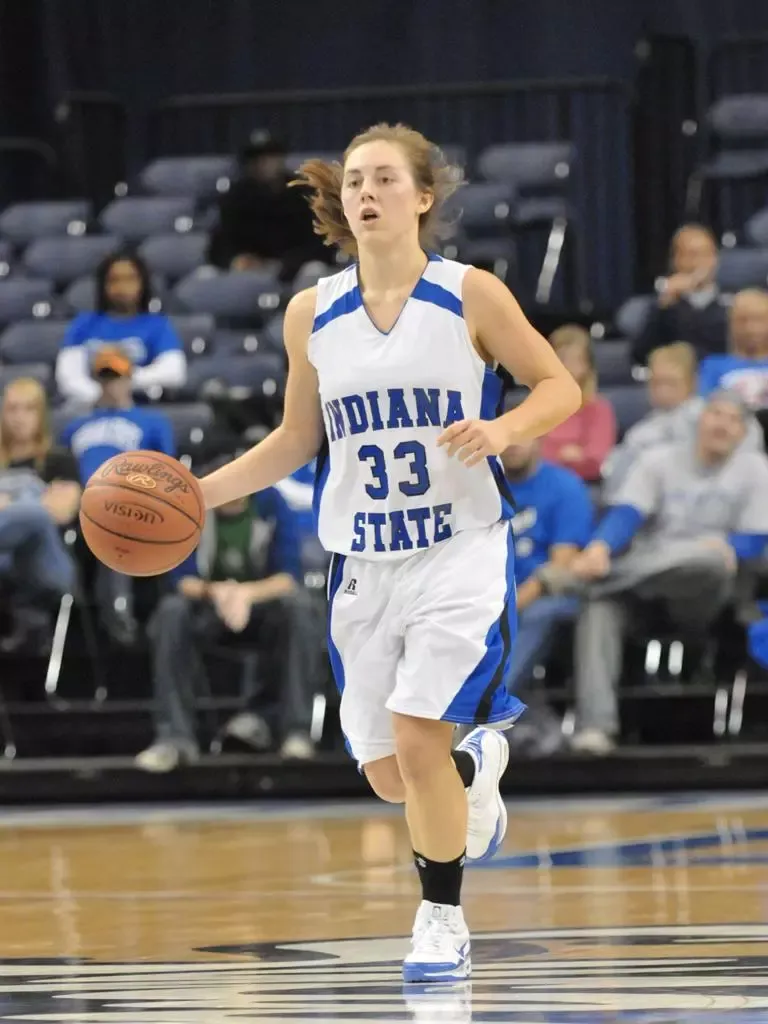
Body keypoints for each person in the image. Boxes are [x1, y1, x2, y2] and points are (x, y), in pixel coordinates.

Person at [194, 122, 581, 983]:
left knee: (414, 737)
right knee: (389, 774)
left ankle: (440, 919)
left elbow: (560, 384)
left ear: (423, 196)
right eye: (355, 181)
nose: (364, 192)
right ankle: (474, 764)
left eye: (382, 179)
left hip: (458, 549)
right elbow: (297, 439)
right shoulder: (311, 312)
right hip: (362, 563)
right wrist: (199, 494)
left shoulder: (469, 294)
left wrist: (504, 426)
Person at [541, 391, 768, 755]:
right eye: (715, 414)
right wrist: (599, 548)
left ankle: (573, 579)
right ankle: (596, 729)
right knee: (600, 606)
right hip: (642, 588)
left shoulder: (755, 469)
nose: (722, 424)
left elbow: (755, 541)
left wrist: (729, 548)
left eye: (733, 419)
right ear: (699, 419)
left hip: (703, 598)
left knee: (707, 559)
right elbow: (626, 514)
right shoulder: (658, 460)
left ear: (743, 433)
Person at [135, 457, 317, 772]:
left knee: (300, 608)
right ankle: (174, 738)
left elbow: (288, 577)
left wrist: (244, 595)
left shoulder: (271, 503)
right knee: (170, 612)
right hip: (208, 607)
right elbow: (179, 579)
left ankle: (295, 732)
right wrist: (219, 593)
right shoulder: (188, 509)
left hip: (260, 608)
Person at [60, 347, 175, 643]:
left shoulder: (151, 422)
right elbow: (59, 470)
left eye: (117, 377)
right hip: (77, 505)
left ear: (130, 377)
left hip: (129, 499)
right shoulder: (75, 425)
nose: (110, 384)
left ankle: (117, 612)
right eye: (105, 377)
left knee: (112, 514)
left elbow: (168, 472)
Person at [501, 437, 593, 755]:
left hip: (547, 597)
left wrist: (508, 607)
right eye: (505, 434)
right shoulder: (476, 487)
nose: (512, 443)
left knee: (540, 614)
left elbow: (562, 565)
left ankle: (485, 706)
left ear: (539, 438)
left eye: (521, 434)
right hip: (487, 598)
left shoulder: (564, 486)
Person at [603, 341, 763, 497]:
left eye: (670, 383)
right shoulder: (641, 432)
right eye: (656, 383)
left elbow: (748, 463)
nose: (662, 391)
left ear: (692, 383)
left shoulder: (715, 418)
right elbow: (618, 484)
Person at [0, 378, 79, 651]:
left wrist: (9, 505)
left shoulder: (59, 460)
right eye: (12, 409)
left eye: (28, 409)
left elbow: (59, 511)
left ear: (41, 415)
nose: (19, 417)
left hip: (47, 565)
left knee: (34, 516)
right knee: (33, 508)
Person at [55, 251, 187, 406]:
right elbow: (68, 377)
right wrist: (101, 396)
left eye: (130, 279)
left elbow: (174, 372)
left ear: (142, 284)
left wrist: (122, 384)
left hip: (140, 408)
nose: (122, 287)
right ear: (103, 286)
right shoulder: (83, 324)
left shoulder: (157, 325)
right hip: (90, 407)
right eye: (114, 280)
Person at [208, 133, 330, 283]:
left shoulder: (303, 192)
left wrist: (286, 264)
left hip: (296, 268)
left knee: (315, 270)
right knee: (207, 275)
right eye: (256, 159)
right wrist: (235, 259)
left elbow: (322, 244)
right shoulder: (236, 196)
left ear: (281, 159)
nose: (263, 163)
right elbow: (219, 245)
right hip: (250, 272)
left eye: (270, 156)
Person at [632, 224, 727, 364]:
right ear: (675, 261)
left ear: (716, 259)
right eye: (691, 255)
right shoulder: (662, 307)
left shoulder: (730, 304)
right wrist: (665, 305)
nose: (699, 262)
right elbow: (640, 355)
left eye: (706, 254)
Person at [540, 324, 617, 482]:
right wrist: (565, 455)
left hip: (580, 485)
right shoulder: (536, 405)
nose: (567, 367)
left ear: (587, 366)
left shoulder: (598, 409)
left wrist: (551, 456)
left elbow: (595, 462)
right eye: (561, 359)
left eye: (575, 360)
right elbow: (525, 456)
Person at [698, 288, 768, 412]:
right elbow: (705, 409)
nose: (750, 328)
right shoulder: (712, 365)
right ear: (731, 324)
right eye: (742, 320)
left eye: (758, 319)